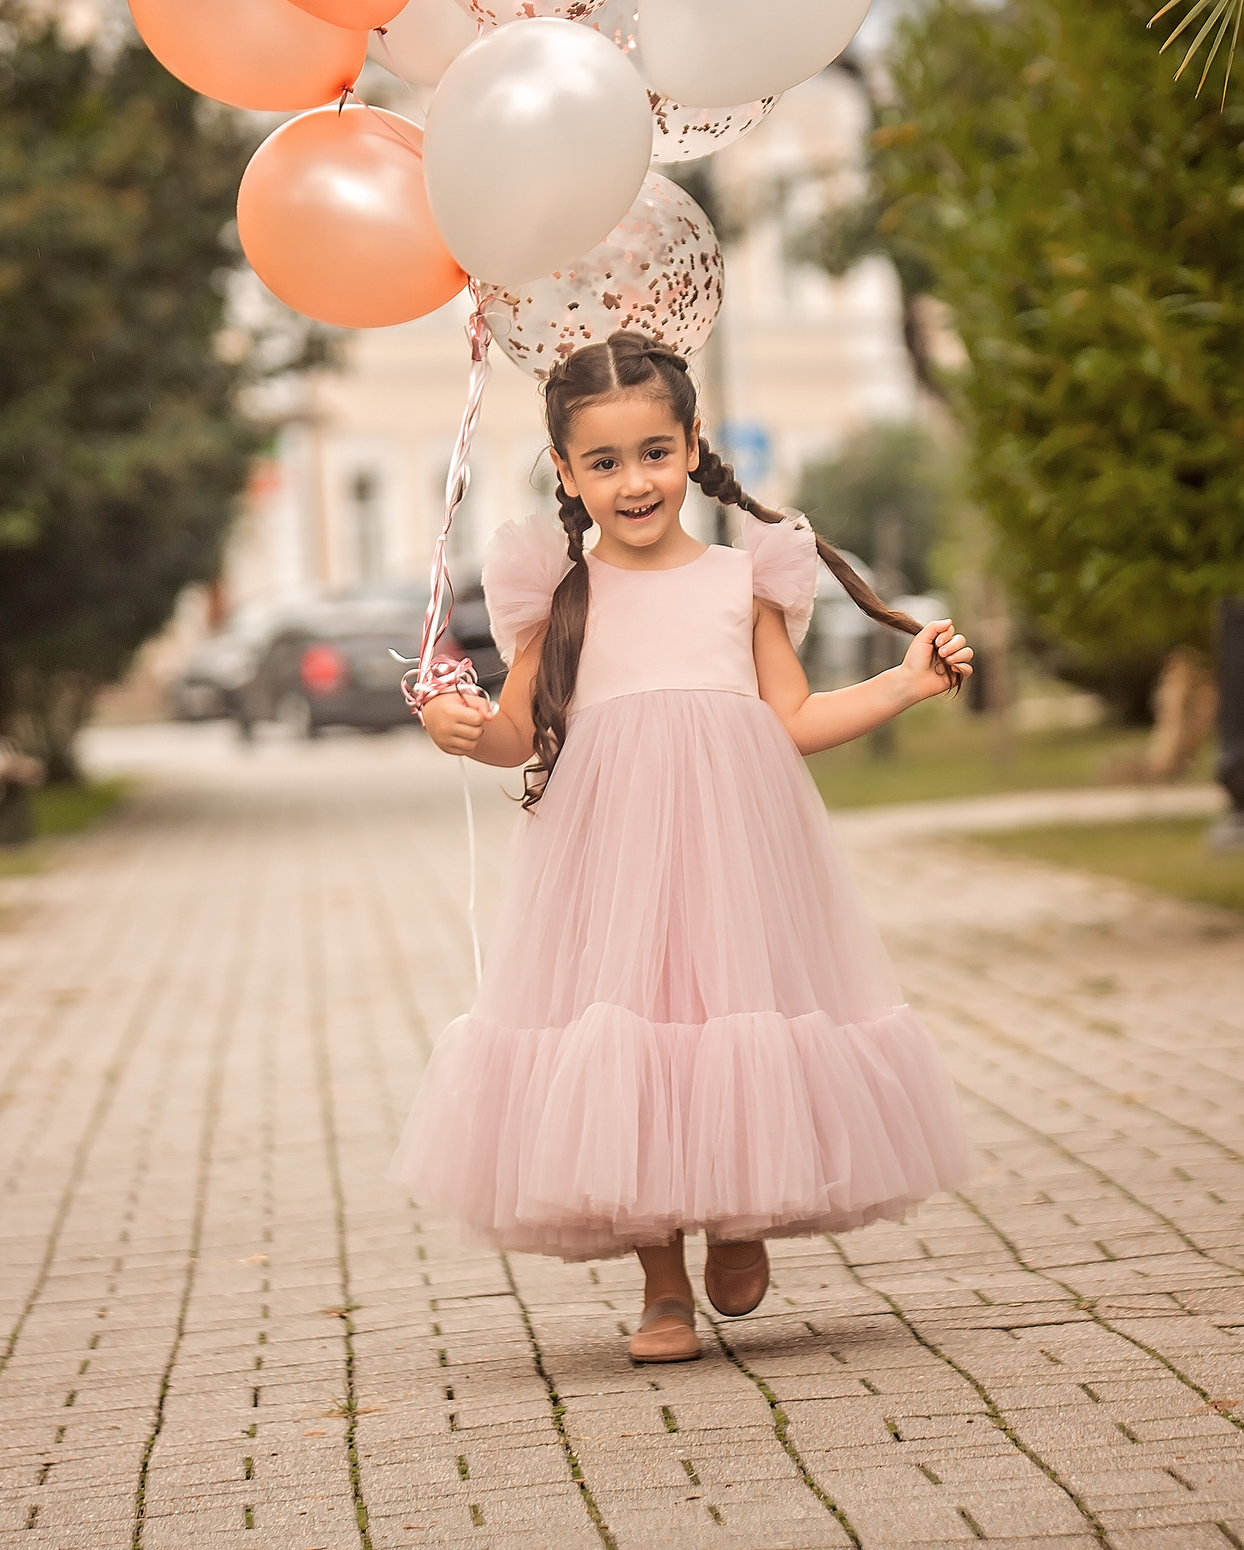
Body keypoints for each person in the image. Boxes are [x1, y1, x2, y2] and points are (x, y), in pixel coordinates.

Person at [397, 331, 974, 1364]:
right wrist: (461, 725)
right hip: (606, 859)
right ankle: (661, 1286)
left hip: (733, 846)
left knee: (727, 1014)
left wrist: (902, 682)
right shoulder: (559, 594)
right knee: (627, 1033)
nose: (634, 482)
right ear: (566, 472)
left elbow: (787, 716)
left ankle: (738, 1206)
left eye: (654, 454)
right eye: (605, 463)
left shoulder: (742, 579)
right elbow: (518, 733)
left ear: (692, 446)